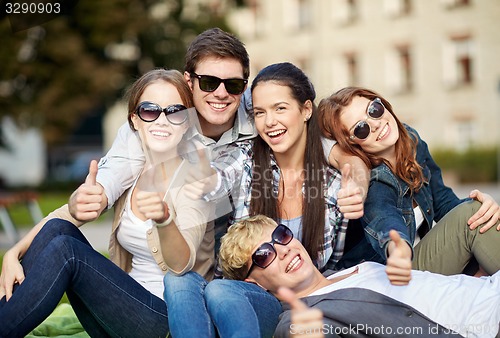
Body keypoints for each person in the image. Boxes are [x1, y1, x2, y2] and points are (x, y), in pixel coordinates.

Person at [0, 68, 215, 337]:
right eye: (150, 111)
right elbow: (64, 216)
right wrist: (14, 252)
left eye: (175, 112)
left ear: (186, 123)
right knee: (58, 231)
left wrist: (164, 220)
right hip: (117, 313)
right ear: (135, 121)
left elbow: (182, 264)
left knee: (67, 250)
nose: (162, 120)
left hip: (165, 322)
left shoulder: (196, 180)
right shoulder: (134, 172)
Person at [163, 62, 356, 337]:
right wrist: (202, 179)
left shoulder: (334, 185)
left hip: (294, 306)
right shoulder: (245, 159)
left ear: (306, 110)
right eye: (260, 113)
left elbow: (333, 263)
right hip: (242, 295)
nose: (269, 122)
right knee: (178, 281)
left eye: (280, 108)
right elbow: (217, 177)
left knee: (219, 289)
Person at [317, 86, 500, 281]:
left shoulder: (411, 142)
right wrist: (398, 249)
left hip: (415, 264)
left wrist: (484, 205)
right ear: (352, 144)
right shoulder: (374, 181)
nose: (376, 124)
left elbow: (444, 202)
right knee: (471, 214)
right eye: (361, 129)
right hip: (389, 277)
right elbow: (384, 221)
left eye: (374, 110)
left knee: (479, 214)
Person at [219, 215, 500, 338]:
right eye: (264, 255)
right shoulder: (299, 321)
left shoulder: (351, 269)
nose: (282, 250)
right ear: (253, 282)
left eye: (281, 235)